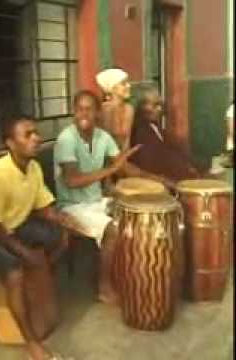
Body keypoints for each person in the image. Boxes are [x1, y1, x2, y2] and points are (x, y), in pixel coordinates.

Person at [0, 115, 76, 360]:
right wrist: (26, 254)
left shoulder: (33, 168)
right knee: (15, 271)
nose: (36, 138)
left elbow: (44, 207)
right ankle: (32, 344)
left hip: (14, 227)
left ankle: (40, 299)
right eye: (28, 134)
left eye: (36, 132)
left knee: (58, 237)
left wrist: (63, 222)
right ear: (10, 143)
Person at [53, 90, 172, 305]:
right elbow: (72, 180)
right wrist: (110, 171)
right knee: (113, 229)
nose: (84, 114)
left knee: (135, 214)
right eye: (79, 109)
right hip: (71, 207)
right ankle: (104, 286)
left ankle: (132, 275)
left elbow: (124, 167)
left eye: (89, 109)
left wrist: (158, 179)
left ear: (98, 112)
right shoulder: (66, 139)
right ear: (73, 112)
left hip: (96, 202)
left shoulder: (102, 137)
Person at [129, 88, 201, 181]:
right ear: (142, 106)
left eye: (160, 105)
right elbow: (151, 163)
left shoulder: (155, 126)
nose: (160, 109)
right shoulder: (139, 131)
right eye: (155, 105)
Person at [96, 68, 134, 151]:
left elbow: (127, 141)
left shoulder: (129, 109)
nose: (129, 86)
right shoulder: (105, 109)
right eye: (123, 83)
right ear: (112, 88)